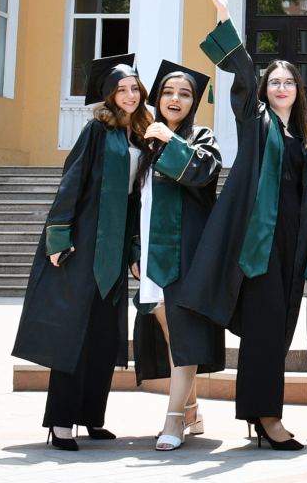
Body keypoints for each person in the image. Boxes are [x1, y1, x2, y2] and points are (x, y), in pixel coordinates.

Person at [179, 0, 307, 451]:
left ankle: (261, 413)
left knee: (277, 331)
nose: (280, 87)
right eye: (274, 82)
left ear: (298, 91)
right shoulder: (255, 124)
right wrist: (222, 13)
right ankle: (266, 417)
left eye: (288, 82)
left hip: (291, 246)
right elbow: (242, 74)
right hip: (259, 243)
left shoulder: (301, 138)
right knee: (263, 329)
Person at [13, 56, 148, 451]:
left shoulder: (138, 137)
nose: (129, 95)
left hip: (116, 245)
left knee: (104, 337)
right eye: (121, 89)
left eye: (135, 89)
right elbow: (70, 181)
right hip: (85, 244)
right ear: (109, 95)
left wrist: (135, 249)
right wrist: (58, 236)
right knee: (75, 334)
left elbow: (137, 201)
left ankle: (92, 417)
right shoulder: (96, 131)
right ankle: (60, 423)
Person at [131, 61, 224, 451]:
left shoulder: (201, 137)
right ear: (157, 98)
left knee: (182, 332)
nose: (175, 99)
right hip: (154, 252)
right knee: (169, 329)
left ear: (193, 103)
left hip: (186, 252)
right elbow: (138, 201)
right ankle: (193, 409)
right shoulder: (145, 144)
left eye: (184, 94)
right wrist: (136, 250)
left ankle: (173, 421)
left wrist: (171, 139)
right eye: (168, 92)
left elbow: (202, 173)